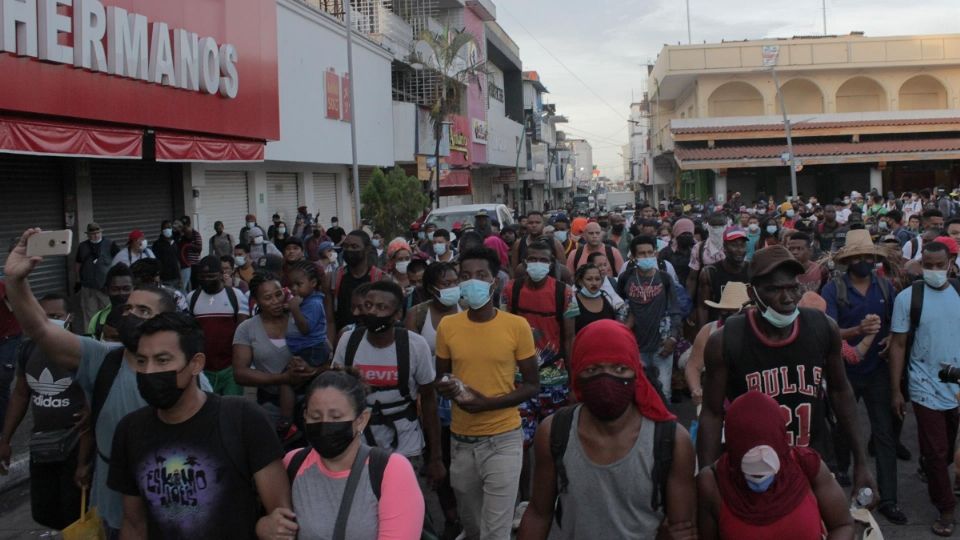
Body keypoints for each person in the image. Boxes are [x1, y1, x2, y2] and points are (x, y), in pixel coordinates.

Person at [3, 228, 215, 536]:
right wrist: (16, 280)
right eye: (128, 308)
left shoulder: (191, 377)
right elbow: (41, 329)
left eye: (144, 311)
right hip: (113, 510)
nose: (130, 315)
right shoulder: (103, 358)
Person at [698, 245, 877, 501]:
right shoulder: (727, 340)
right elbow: (712, 413)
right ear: (752, 292)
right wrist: (708, 474)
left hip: (812, 461)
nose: (787, 299)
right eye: (773, 289)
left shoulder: (822, 327)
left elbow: (840, 392)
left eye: (792, 288)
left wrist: (861, 462)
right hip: (752, 470)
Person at [106, 312, 290, 539]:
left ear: (196, 364)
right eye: (142, 361)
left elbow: (280, 518)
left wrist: (264, 527)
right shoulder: (130, 430)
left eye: (163, 360)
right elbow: (134, 523)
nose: (149, 371)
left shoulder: (243, 418)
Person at [517, 320, 696, 540]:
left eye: (620, 368)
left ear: (636, 372)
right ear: (578, 374)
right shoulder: (555, 432)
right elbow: (538, 513)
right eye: (592, 369)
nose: (606, 380)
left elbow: (681, 528)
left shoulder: (671, 441)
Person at [435, 247, 540, 540]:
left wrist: (487, 404)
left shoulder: (516, 326)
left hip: (503, 440)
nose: (472, 282)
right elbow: (440, 375)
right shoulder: (448, 326)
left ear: (495, 281)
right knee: (473, 527)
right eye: (465, 276)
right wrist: (449, 387)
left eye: (481, 275)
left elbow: (533, 384)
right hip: (461, 442)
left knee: (495, 532)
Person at [820, 230, 907, 523]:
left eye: (868, 256)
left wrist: (888, 339)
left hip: (878, 371)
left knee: (884, 434)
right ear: (848, 260)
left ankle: (889, 499)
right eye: (858, 257)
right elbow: (827, 330)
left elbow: (898, 326)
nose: (864, 261)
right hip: (843, 371)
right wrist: (858, 331)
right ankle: (843, 469)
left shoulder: (885, 287)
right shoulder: (833, 289)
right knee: (844, 425)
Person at [278, 368, 425, 539]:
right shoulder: (293, 463)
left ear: (361, 420)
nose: (325, 425)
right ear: (305, 417)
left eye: (336, 417)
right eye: (315, 417)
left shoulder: (390, 470)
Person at [696, 391, 854, 540]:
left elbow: (843, 525)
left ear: (781, 444)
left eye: (767, 468)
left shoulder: (807, 465)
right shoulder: (713, 483)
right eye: (752, 470)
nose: (760, 477)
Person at [332, 281, 443, 486]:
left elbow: (428, 400)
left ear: (397, 315)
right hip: (359, 443)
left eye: (382, 307)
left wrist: (435, 457)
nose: (372, 312)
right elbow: (335, 390)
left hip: (405, 443)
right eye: (368, 305)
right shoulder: (349, 341)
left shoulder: (415, 345)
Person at [0, 294, 92, 530]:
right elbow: (21, 394)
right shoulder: (28, 349)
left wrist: (84, 459)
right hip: (42, 445)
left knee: (76, 512)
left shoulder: (83, 350)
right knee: (45, 512)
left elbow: (97, 392)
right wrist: (6, 439)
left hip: (75, 444)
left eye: (55, 316)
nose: (49, 321)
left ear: (69, 318)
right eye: (43, 316)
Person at [889, 241, 960, 537]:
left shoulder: (958, 293)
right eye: (927, 265)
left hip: (954, 380)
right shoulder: (908, 298)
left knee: (947, 447)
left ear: (951, 262)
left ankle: (932, 468)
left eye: (939, 265)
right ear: (920, 264)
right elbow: (898, 345)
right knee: (935, 449)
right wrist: (896, 389)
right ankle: (945, 507)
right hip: (923, 382)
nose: (933, 271)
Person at [232, 274, 317, 430]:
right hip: (269, 405)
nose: (276, 301)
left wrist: (312, 370)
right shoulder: (247, 328)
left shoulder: (299, 319)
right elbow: (240, 373)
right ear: (256, 301)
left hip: (310, 404)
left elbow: (326, 353)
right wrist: (282, 378)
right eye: (268, 298)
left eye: (278, 294)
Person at [618, 236, 683, 402]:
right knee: (638, 393)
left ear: (655, 253)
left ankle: (665, 427)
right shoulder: (626, 278)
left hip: (662, 346)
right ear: (632, 257)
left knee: (664, 393)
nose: (646, 257)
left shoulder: (665, 278)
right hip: (635, 347)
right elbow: (620, 308)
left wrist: (673, 338)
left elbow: (675, 310)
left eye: (650, 252)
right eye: (641, 254)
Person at [188, 255, 250, 396]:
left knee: (231, 409)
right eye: (202, 276)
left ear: (222, 275)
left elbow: (243, 332)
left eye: (211, 276)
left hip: (230, 370)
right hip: (203, 370)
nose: (206, 280)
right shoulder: (192, 298)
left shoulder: (237, 296)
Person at [685, 282, 749, 405]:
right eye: (727, 310)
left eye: (736, 311)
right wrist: (696, 389)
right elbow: (693, 366)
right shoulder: (709, 330)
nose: (731, 315)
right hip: (715, 399)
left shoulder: (758, 331)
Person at [324, 230, 386, 346]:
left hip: (372, 341)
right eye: (346, 246)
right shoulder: (332, 278)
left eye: (354, 246)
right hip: (342, 342)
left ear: (367, 249)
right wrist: (332, 348)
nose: (349, 250)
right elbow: (330, 320)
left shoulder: (381, 279)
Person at [697, 227, 749, 329]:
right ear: (724, 248)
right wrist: (704, 333)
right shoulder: (710, 272)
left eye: (742, 245)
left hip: (747, 327)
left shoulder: (754, 270)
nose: (739, 250)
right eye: (734, 245)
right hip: (719, 326)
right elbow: (703, 308)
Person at [75, 222, 119, 328]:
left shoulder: (110, 244)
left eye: (97, 233)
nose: (95, 235)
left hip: (105, 287)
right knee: (90, 314)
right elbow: (78, 264)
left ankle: (108, 335)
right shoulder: (82, 246)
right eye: (93, 234)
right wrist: (78, 280)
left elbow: (118, 261)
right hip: (88, 287)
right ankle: (91, 336)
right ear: (88, 235)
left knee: (108, 312)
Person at [685, 213, 728, 305]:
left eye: (720, 226)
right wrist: (688, 304)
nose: (717, 230)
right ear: (708, 227)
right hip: (705, 297)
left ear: (726, 226)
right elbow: (692, 278)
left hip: (729, 296)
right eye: (714, 226)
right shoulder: (699, 248)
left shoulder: (732, 246)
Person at [86, 263, 134, 340]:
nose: (121, 293)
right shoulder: (97, 319)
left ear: (134, 289)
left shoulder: (142, 316)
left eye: (126, 289)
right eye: (115, 289)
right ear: (107, 290)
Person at [571, 263, 618, 333]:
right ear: (580, 281)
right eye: (589, 279)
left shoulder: (608, 297)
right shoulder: (573, 302)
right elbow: (570, 335)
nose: (594, 283)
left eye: (597, 279)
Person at [660, 218, 695, 287]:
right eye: (683, 234)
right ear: (677, 234)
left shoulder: (697, 250)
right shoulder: (666, 252)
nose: (687, 236)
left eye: (689, 233)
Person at [153, 220, 181, 290]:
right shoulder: (157, 244)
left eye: (169, 227)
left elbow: (177, 260)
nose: (168, 229)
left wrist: (180, 278)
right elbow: (156, 262)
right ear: (162, 230)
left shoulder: (174, 243)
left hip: (176, 277)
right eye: (166, 228)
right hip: (165, 278)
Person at [176, 215, 202, 291]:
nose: (184, 228)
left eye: (185, 225)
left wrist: (189, 245)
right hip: (182, 266)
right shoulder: (179, 235)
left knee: (194, 286)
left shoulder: (195, 234)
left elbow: (199, 249)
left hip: (193, 264)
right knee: (184, 286)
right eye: (182, 226)